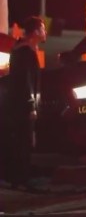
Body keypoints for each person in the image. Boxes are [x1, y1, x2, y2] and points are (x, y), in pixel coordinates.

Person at [2, 17, 46, 190]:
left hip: (19, 104)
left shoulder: (23, 50)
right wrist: (31, 106)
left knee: (23, 141)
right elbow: (25, 81)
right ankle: (20, 178)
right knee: (23, 141)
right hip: (22, 106)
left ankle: (19, 177)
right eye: (42, 29)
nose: (45, 32)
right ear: (35, 32)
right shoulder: (25, 52)